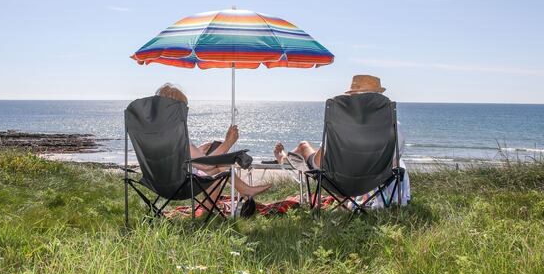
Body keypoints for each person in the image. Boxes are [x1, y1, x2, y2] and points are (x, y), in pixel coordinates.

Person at [273, 75, 410, 205]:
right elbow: (393, 162)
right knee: (340, 159)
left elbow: (320, 162)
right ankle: (286, 159)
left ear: (354, 99)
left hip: (338, 181)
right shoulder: (394, 126)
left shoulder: (341, 125)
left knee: (304, 146)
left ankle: (283, 159)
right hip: (372, 182)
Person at [155, 83, 271, 199]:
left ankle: (242, 192)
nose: (186, 111)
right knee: (219, 166)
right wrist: (228, 142)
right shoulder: (177, 135)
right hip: (180, 186)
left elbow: (175, 157)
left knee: (218, 165)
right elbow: (206, 166)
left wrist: (198, 151)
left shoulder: (157, 132)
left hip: (160, 183)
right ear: (175, 110)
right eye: (184, 107)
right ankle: (245, 191)